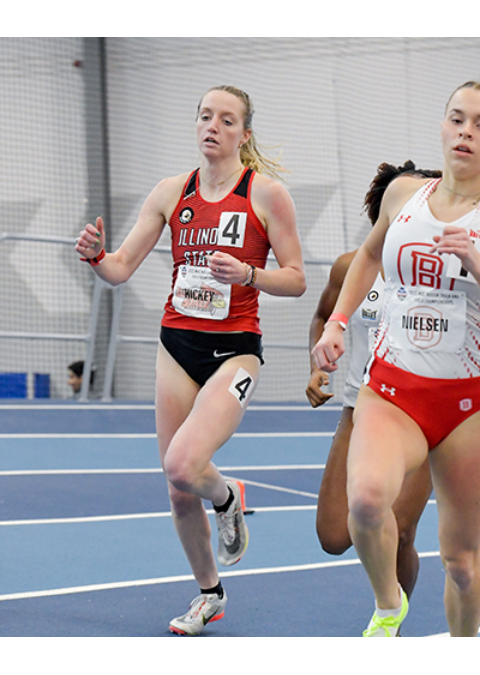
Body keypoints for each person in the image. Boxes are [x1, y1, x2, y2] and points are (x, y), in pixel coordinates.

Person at [312, 81, 480, 637]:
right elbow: (368, 256)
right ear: (443, 126)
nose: (467, 132)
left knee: (461, 563)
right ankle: (388, 605)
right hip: (391, 388)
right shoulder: (403, 197)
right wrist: (339, 323)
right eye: (458, 119)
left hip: (466, 404)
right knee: (367, 504)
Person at [74, 85, 306, 636]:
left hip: (235, 353)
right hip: (176, 346)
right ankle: (209, 594)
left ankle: (227, 497)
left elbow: (296, 279)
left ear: (243, 135)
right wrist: (95, 257)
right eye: (205, 116)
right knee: (177, 487)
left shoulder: (266, 195)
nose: (213, 126)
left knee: (183, 463)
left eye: (227, 120)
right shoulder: (171, 191)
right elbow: (121, 268)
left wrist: (248, 273)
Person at [306, 161, 436, 600]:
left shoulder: (438, 268)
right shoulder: (350, 268)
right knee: (332, 535)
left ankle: (390, 627)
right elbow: (325, 315)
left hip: (423, 412)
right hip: (359, 405)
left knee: (399, 532)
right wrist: (317, 364)